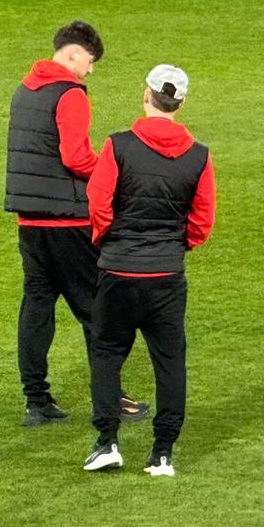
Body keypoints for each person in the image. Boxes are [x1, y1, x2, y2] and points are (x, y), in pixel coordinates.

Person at [4, 21, 149, 427]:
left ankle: (36, 402)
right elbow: (75, 156)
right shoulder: (69, 93)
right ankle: (111, 398)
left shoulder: (24, 90)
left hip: (30, 222)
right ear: (74, 54)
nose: (90, 70)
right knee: (97, 311)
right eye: (90, 61)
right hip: (68, 222)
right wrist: (113, 170)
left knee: (36, 308)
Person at [81, 65, 216, 477]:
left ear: (146, 96)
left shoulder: (118, 146)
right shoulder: (199, 156)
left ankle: (107, 442)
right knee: (170, 361)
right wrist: (174, 248)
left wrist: (111, 243)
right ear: (181, 104)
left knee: (106, 354)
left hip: (119, 272)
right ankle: (162, 452)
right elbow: (202, 220)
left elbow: (98, 203)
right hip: (166, 276)